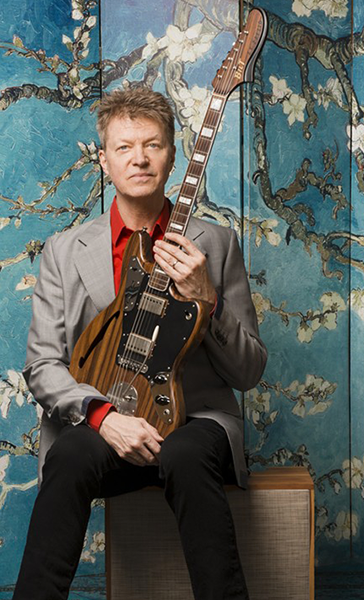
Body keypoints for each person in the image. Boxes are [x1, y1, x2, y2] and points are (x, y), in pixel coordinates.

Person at [13, 87, 267, 600]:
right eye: (124, 147)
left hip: (193, 422)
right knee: (70, 455)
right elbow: (42, 364)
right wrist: (103, 417)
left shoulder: (216, 244)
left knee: (186, 455)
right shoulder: (63, 251)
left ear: (172, 156)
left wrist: (208, 298)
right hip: (104, 419)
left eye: (152, 145)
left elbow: (249, 371)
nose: (140, 158)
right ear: (104, 160)